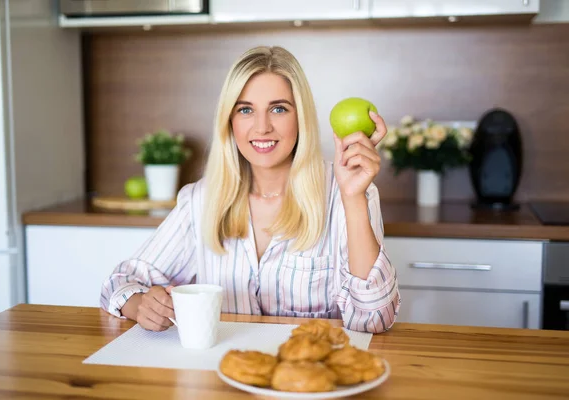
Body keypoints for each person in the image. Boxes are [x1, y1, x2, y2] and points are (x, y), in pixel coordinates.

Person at [100, 45, 401, 333]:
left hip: (311, 378)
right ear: (229, 121)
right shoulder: (200, 200)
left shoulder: (347, 192)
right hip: (222, 375)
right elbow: (120, 282)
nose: (261, 127)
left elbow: (374, 320)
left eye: (278, 109)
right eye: (245, 110)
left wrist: (352, 198)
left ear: (302, 118)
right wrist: (141, 305)